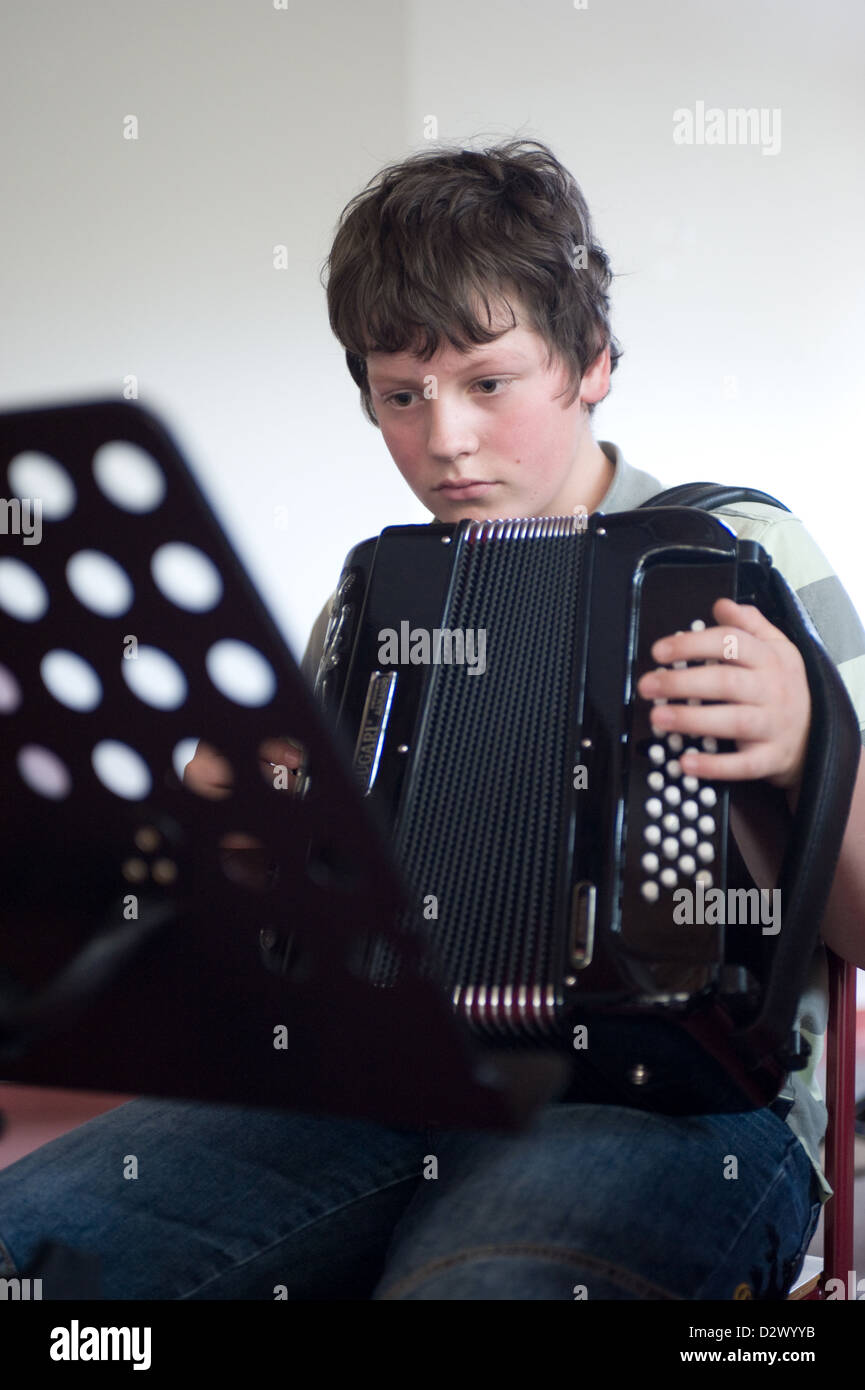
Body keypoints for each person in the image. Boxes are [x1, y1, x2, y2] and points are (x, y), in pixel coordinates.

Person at [1, 139, 863, 1301]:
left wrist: (812, 751)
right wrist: (233, 846)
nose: (443, 440)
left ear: (592, 361)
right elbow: (294, 949)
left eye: (488, 384)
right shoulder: (371, 602)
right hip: (377, 1087)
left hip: (682, 1102)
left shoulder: (738, 554)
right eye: (400, 396)